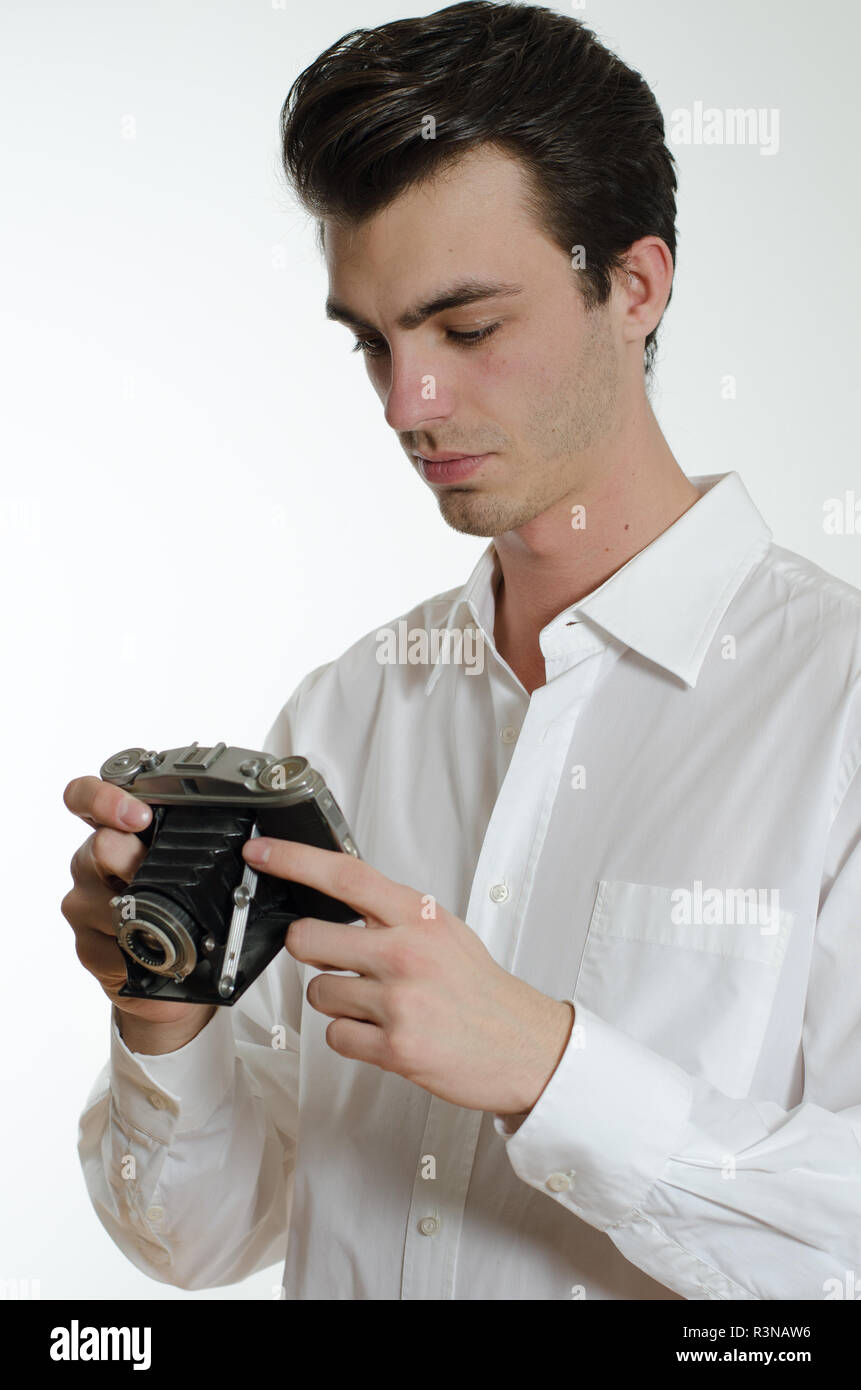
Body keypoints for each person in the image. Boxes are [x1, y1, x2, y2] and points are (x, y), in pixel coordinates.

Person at [64, 1, 861, 1300]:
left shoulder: (835, 708)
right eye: (372, 340)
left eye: (465, 327)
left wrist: (551, 1066)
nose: (404, 403)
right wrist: (166, 1014)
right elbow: (204, 1237)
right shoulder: (346, 706)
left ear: (634, 286)